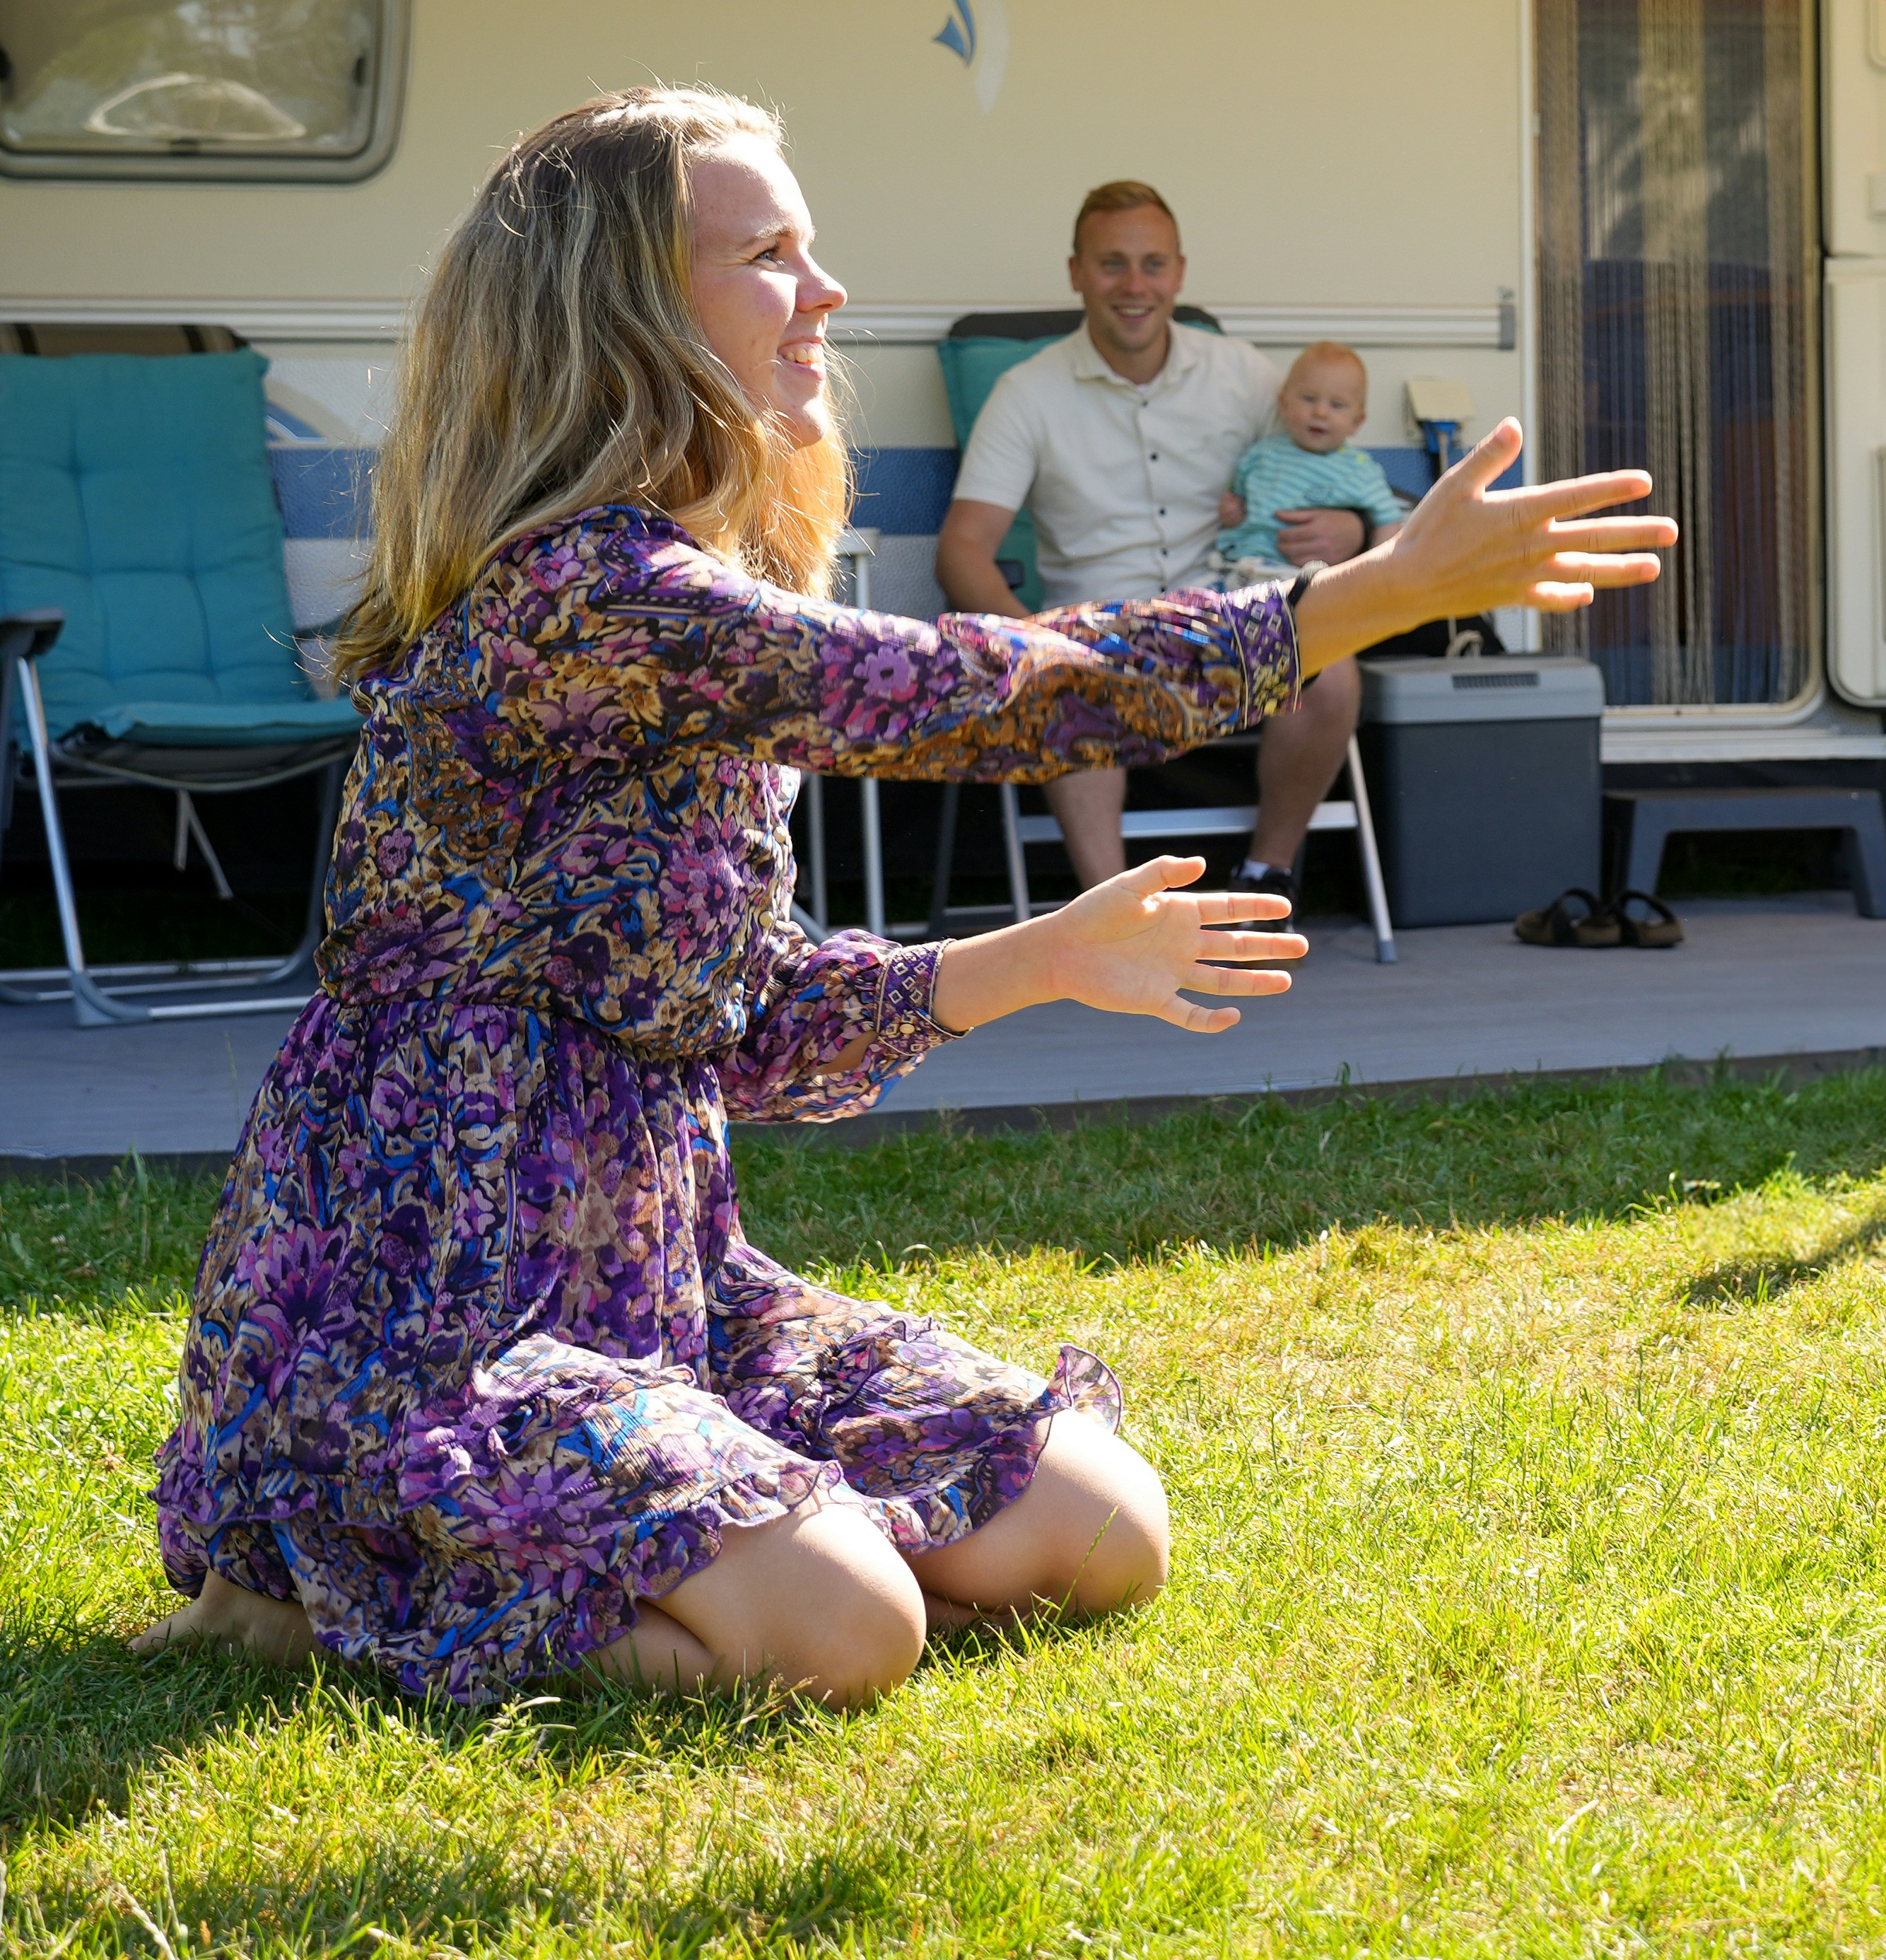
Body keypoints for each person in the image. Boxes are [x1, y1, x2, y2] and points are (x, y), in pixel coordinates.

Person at [137, 88, 1667, 1706]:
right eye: (770, 254)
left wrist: (1050, 953)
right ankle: (301, 1588)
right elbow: (967, 694)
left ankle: (718, 1531)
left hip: (656, 1281)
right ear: (624, 304)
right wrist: (1366, 594)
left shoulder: (682, 593)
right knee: (850, 1633)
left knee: (1097, 1528)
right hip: (443, 1302)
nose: (827, 290)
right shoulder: (589, 596)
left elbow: (744, 1023)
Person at [935, 182, 1366, 900]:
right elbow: (962, 549)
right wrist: (1030, 641)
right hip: (1099, 630)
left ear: (1180, 273)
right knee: (1066, 685)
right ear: (1077, 273)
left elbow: (1334, 472)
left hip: (1224, 617)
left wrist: (1354, 527)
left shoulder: (1243, 373)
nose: (1135, 285)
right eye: (1112, 264)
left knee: (1330, 669)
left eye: (1153, 264)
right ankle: (1116, 921)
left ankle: (1266, 880)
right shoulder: (1028, 391)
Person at [1207, 343, 1415, 590]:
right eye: (1308, 399)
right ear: (1284, 405)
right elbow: (1242, 502)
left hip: (1308, 579)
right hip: (1241, 567)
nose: (1320, 412)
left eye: (1336, 405)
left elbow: (1389, 522)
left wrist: (1376, 574)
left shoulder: (1359, 470)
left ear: (1356, 422)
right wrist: (1234, 513)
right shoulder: (1260, 454)